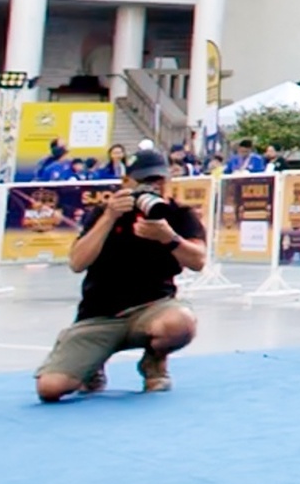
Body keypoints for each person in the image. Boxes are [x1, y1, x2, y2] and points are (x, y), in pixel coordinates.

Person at [37, 153, 205, 401]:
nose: (153, 187)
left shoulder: (178, 214)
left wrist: (169, 238)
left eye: (159, 180)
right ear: (126, 182)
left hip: (152, 308)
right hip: (99, 315)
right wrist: (109, 218)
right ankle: (91, 365)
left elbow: (198, 261)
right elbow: (77, 262)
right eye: (145, 181)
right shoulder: (103, 212)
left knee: (180, 322)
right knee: (50, 389)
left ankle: (155, 362)